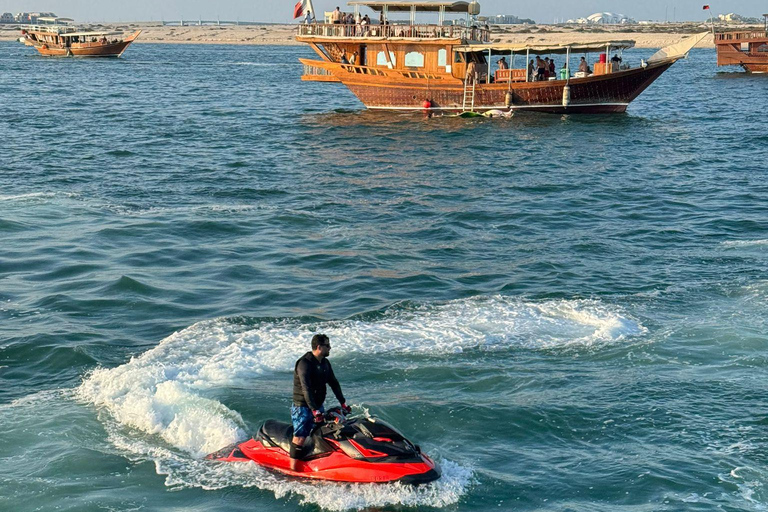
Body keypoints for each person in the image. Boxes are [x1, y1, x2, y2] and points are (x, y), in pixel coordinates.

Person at [290, 334, 350, 470]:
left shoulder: (324, 363)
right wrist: (314, 409)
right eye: (327, 345)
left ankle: (318, 462)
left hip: (317, 405)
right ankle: (292, 469)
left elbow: (333, 383)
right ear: (319, 347)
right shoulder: (304, 364)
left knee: (321, 432)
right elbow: (306, 389)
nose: (330, 348)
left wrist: (343, 403)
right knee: (300, 437)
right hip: (303, 407)